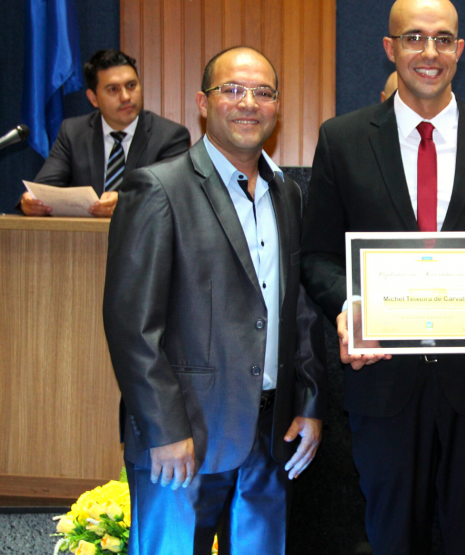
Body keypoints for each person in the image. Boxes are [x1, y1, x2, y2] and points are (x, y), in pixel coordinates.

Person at [301, 0, 465, 552]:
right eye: (414, 38)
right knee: (392, 539)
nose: (429, 52)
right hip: (384, 385)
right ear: (390, 49)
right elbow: (316, 255)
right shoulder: (343, 140)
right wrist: (351, 307)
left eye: (443, 39)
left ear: (459, 51)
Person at [103, 46, 324, 555]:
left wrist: (309, 402)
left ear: (277, 107)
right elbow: (131, 326)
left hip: (270, 438)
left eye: (263, 92)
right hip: (184, 441)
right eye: (233, 90)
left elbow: (299, 310)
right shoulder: (158, 188)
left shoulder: (286, 192)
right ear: (203, 103)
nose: (249, 103)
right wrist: (163, 430)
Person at [22, 49, 190, 217]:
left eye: (131, 86)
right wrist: (32, 201)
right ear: (93, 98)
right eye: (113, 89)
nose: (125, 97)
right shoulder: (73, 133)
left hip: (145, 239)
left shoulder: (170, 136)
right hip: (85, 240)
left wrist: (126, 202)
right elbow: (46, 188)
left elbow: (174, 196)